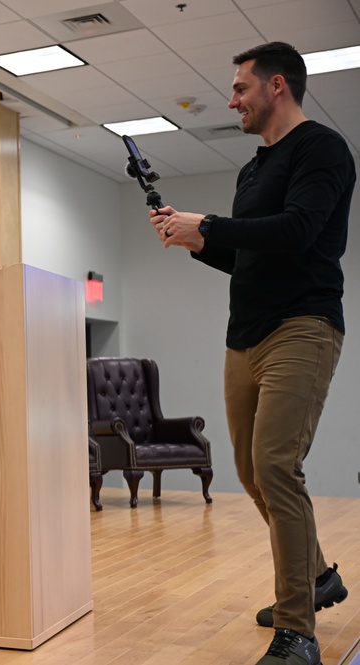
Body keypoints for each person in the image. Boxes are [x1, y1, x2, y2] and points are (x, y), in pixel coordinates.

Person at [150, 42, 355, 665]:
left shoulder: (322, 149)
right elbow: (245, 256)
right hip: (245, 335)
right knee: (249, 469)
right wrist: (191, 240)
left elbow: (298, 231)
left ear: (277, 87)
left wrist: (207, 222)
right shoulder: (251, 170)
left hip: (304, 326)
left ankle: (298, 633)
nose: (233, 100)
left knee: (275, 466)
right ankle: (316, 577)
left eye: (241, 88)